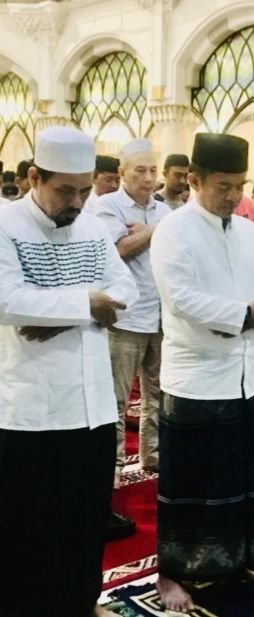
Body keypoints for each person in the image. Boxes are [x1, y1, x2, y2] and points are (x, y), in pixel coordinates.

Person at [0, 126, 137, 617]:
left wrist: (56, 315)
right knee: (26, 525)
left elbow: (126, 291)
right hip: (28, 410)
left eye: (84, 190)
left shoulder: (93, 226)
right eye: (66, 190)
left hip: (92, 404)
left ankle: (81, 604)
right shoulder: (5, 223)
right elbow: (7, 299)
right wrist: (86, 306)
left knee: (83, 520)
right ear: (34, 176)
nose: (77, 201)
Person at [150, 133, 254, 612]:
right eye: (223, 186)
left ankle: (242, 555)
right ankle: (172, 575)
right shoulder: (174, 229)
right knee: (188, 481)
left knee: (239, 473)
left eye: (240, 186)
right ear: (193, 180)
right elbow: (182, 298)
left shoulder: (248, 230)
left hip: (242, 373)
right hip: (195, 376)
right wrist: (246, 315)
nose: (233, 196)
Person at [94, 138, 170, 484]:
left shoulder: (164, 209)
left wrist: (154, 230)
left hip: (160, 315)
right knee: (117, 397)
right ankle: (111, 466)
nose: (148, 177)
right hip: (125, 316)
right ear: (123, 172)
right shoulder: (107, 207)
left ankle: (153, 456)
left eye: (153, 170)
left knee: (158, 393)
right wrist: (157, 232)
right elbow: (121, 248)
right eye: (140, 170)